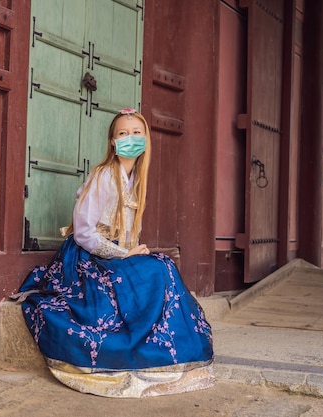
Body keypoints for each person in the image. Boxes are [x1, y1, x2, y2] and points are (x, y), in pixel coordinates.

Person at [13, 108, 214, 398]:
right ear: (112, 142)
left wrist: (132, 253)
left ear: (145, 138)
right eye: (123, 133)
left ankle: (163, 349)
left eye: (136, 133)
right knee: (159, 268)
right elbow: (83, 233)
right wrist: (123, 256)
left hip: (116, 254)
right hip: (87, 256)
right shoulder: (104, 175)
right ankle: (139, 347)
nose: (130, 138)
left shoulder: (136, 181)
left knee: (161, 267)